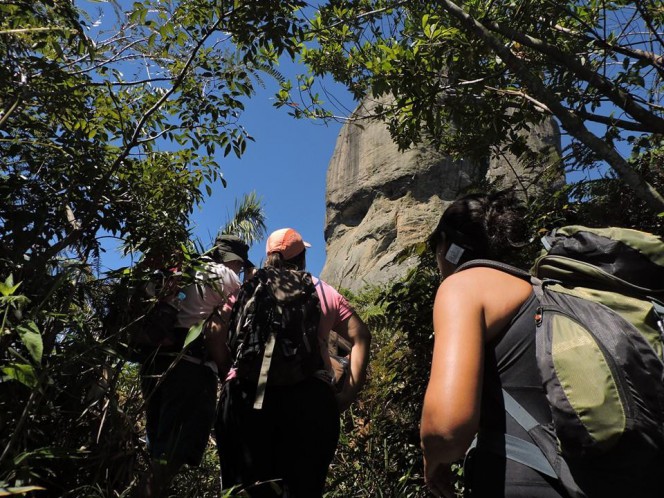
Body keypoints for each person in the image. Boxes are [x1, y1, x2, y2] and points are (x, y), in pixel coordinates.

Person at [420, 192, 568, 498]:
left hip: (520, 480)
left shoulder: (463, 286)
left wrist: (433, 456)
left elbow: (446, 431)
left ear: (445, 245)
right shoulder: (542, 292)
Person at [215, 228, 371, 497]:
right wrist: (348, 393)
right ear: (302, 258)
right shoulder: (323, 291)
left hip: (246, 397)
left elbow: (214, 331)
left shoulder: (248, 288)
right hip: (310, 401)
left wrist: (228, 373)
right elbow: (361, 337)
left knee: (245, 491)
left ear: (267, 256)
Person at [136, 235, 252, 498]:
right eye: (240, 265)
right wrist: (226, 370)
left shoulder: (184, 269)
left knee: (159, 451)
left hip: (154, 364)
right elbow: (219, 329)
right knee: (169, 458)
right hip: (190, 370)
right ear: (233, 261)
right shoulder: (227, 277)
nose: (239, 270)